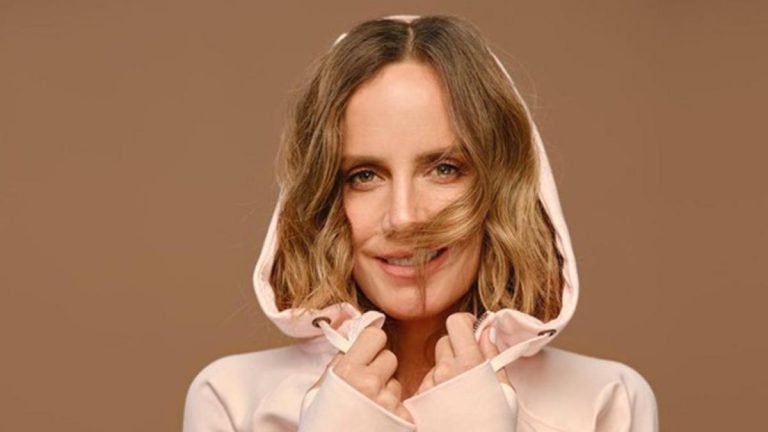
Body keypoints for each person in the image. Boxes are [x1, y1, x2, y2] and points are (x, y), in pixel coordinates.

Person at [183, 14, 659, 431]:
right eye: (364, 176)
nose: (405, 217)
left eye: (445, 169)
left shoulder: (605, 403)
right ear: (324, 197)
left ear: (499, 186)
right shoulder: (232, 403)